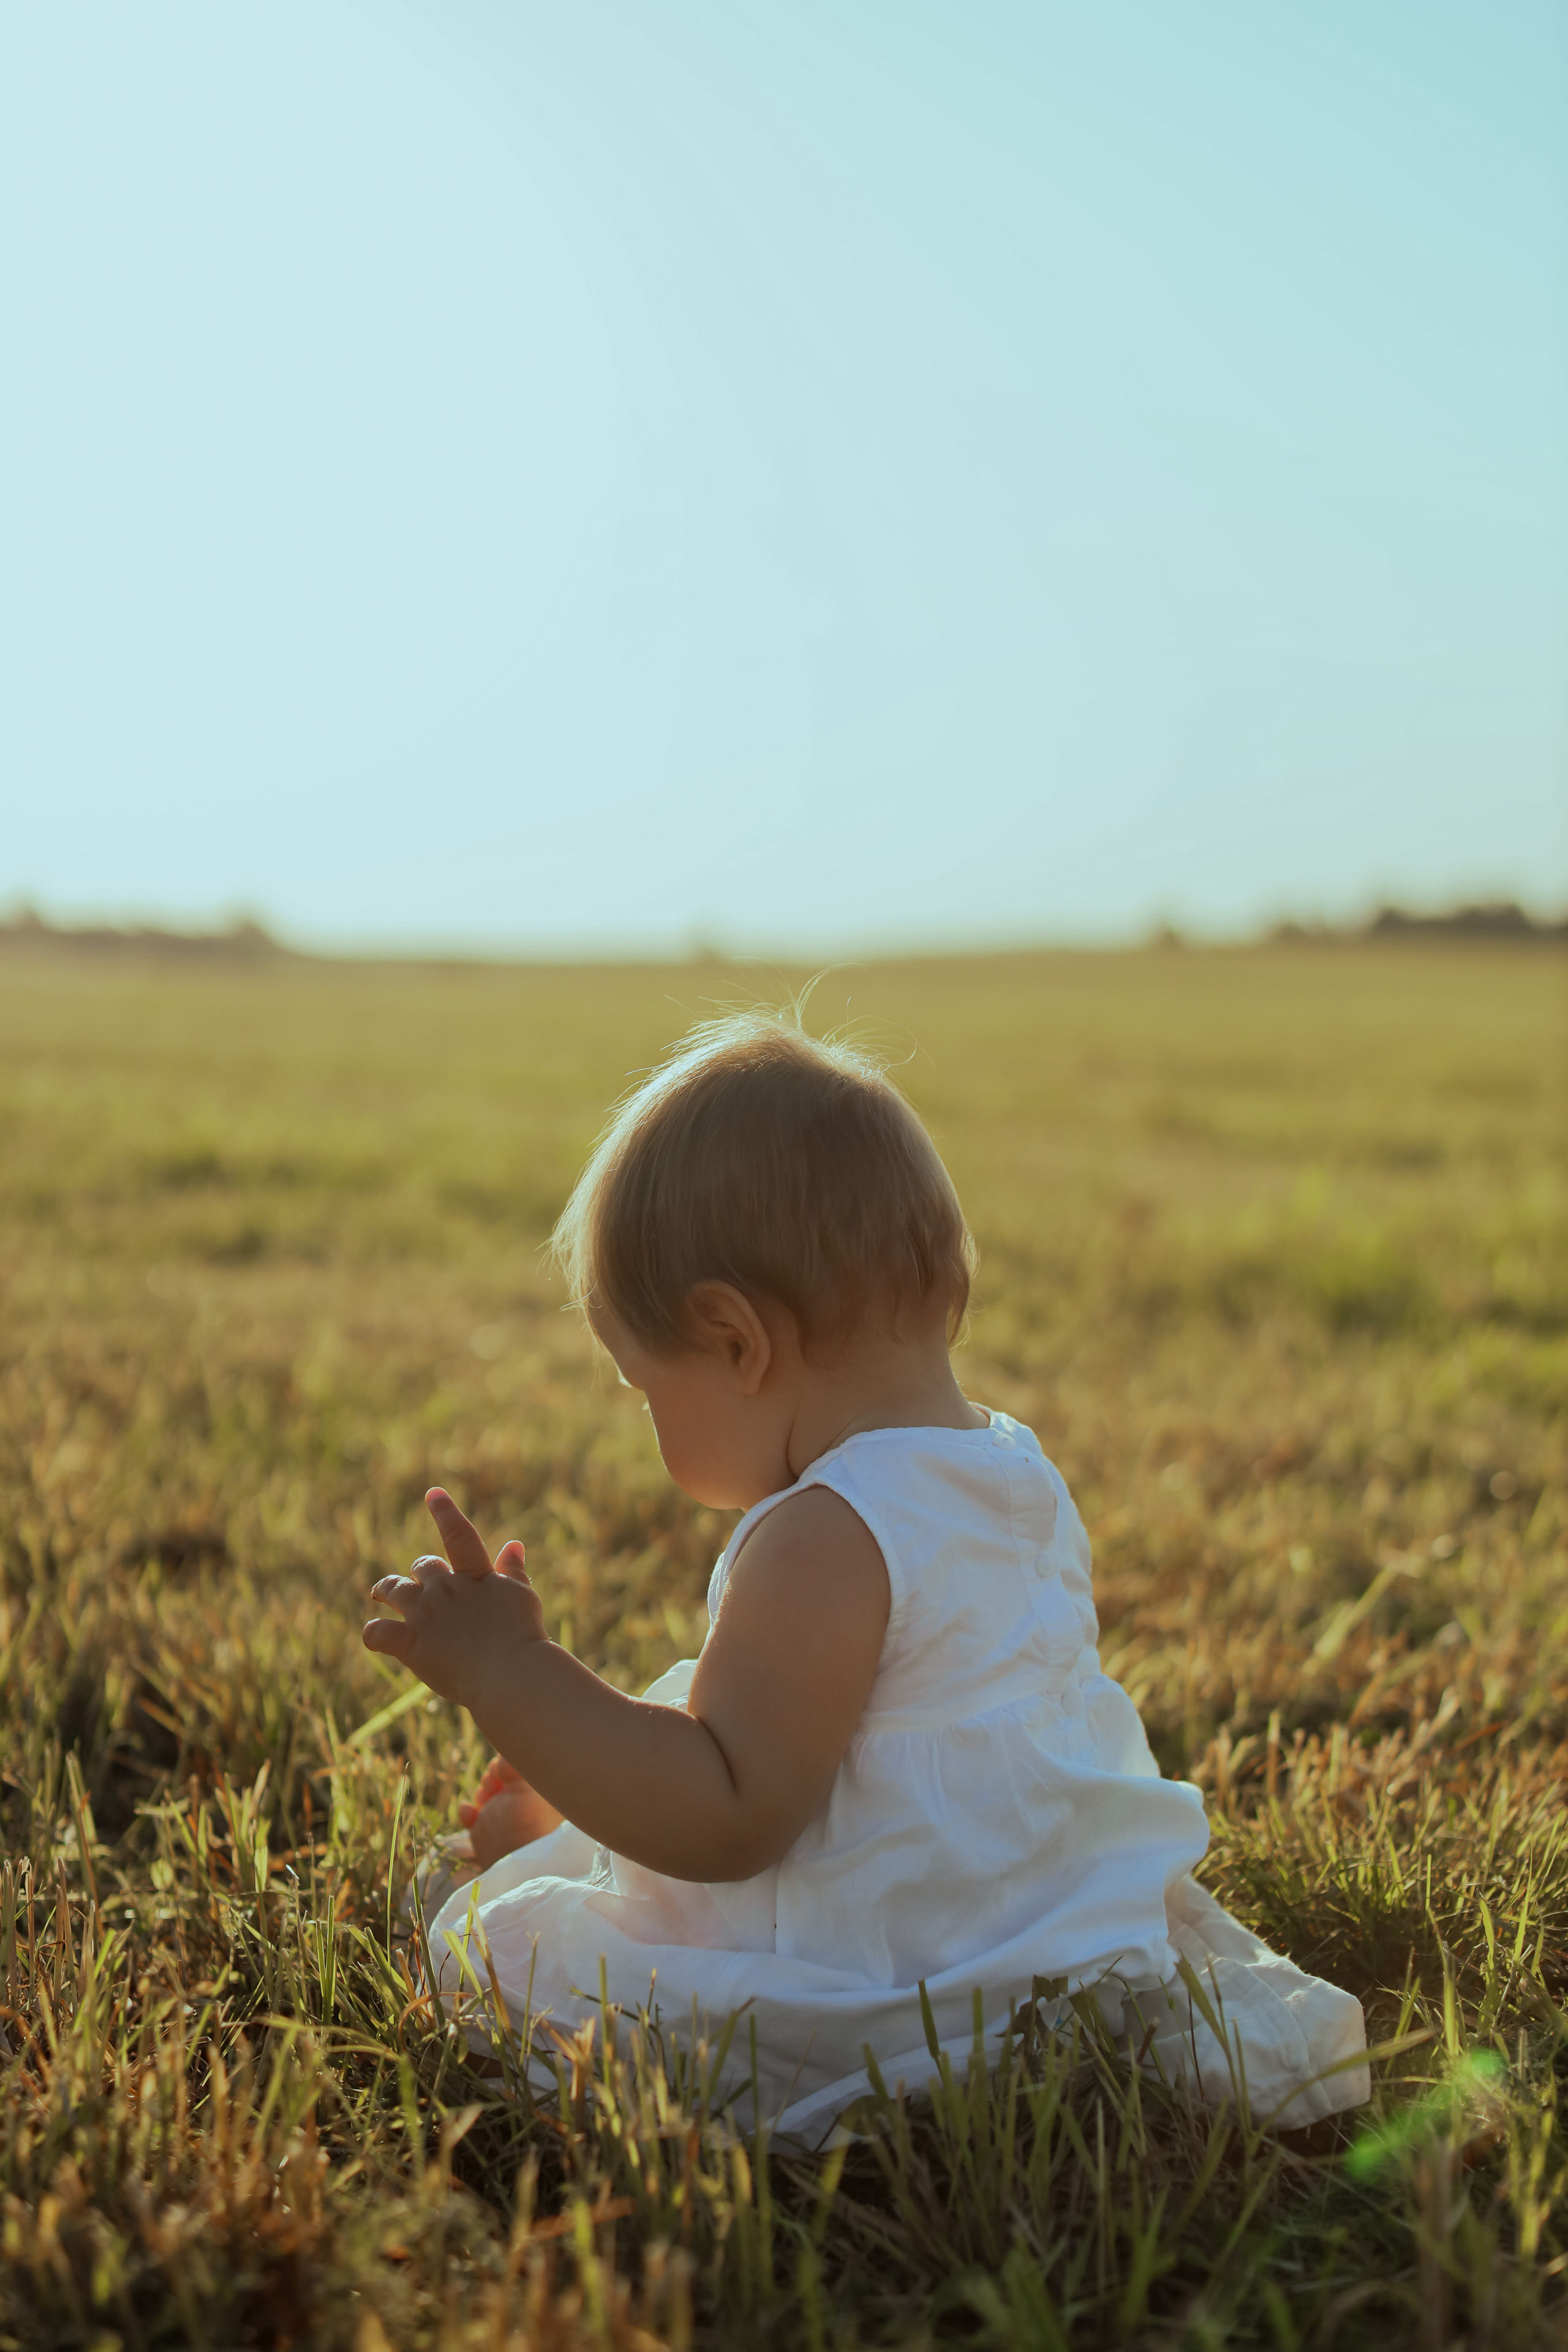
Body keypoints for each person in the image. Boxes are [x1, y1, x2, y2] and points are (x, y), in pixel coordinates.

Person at [363, 1012, 1368, 2138]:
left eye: (645, 1388)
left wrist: (513, 1673)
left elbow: (729, 1817)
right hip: (1037, 1913)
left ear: (738, 1342)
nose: (647, 1422)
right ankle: (576, 1825)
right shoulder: (1011, 1468)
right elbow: (898, 1751)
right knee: (639, 1780)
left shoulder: (825, 1536)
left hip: (902, 1972)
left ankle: (562, 1863)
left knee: (505, 1956)